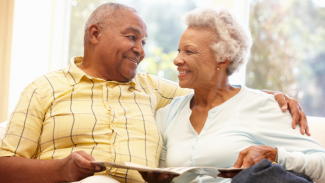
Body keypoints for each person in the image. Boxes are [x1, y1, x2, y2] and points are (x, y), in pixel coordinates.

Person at [0, 3, 310, 183]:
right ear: (94, 34)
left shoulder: (152, 88)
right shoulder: (45, 89)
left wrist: (268, 96)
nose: (140, 50)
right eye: (132, 37)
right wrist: (61, 168)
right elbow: (4, 165)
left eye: (144, 42)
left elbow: (214, 90)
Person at [140, 7, 325, 183]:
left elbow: (321, 162)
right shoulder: (168, 113)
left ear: (223, 57)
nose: (177, 60)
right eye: (179, 50)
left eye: (189, 51)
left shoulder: (261, 106)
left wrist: (275, 155)